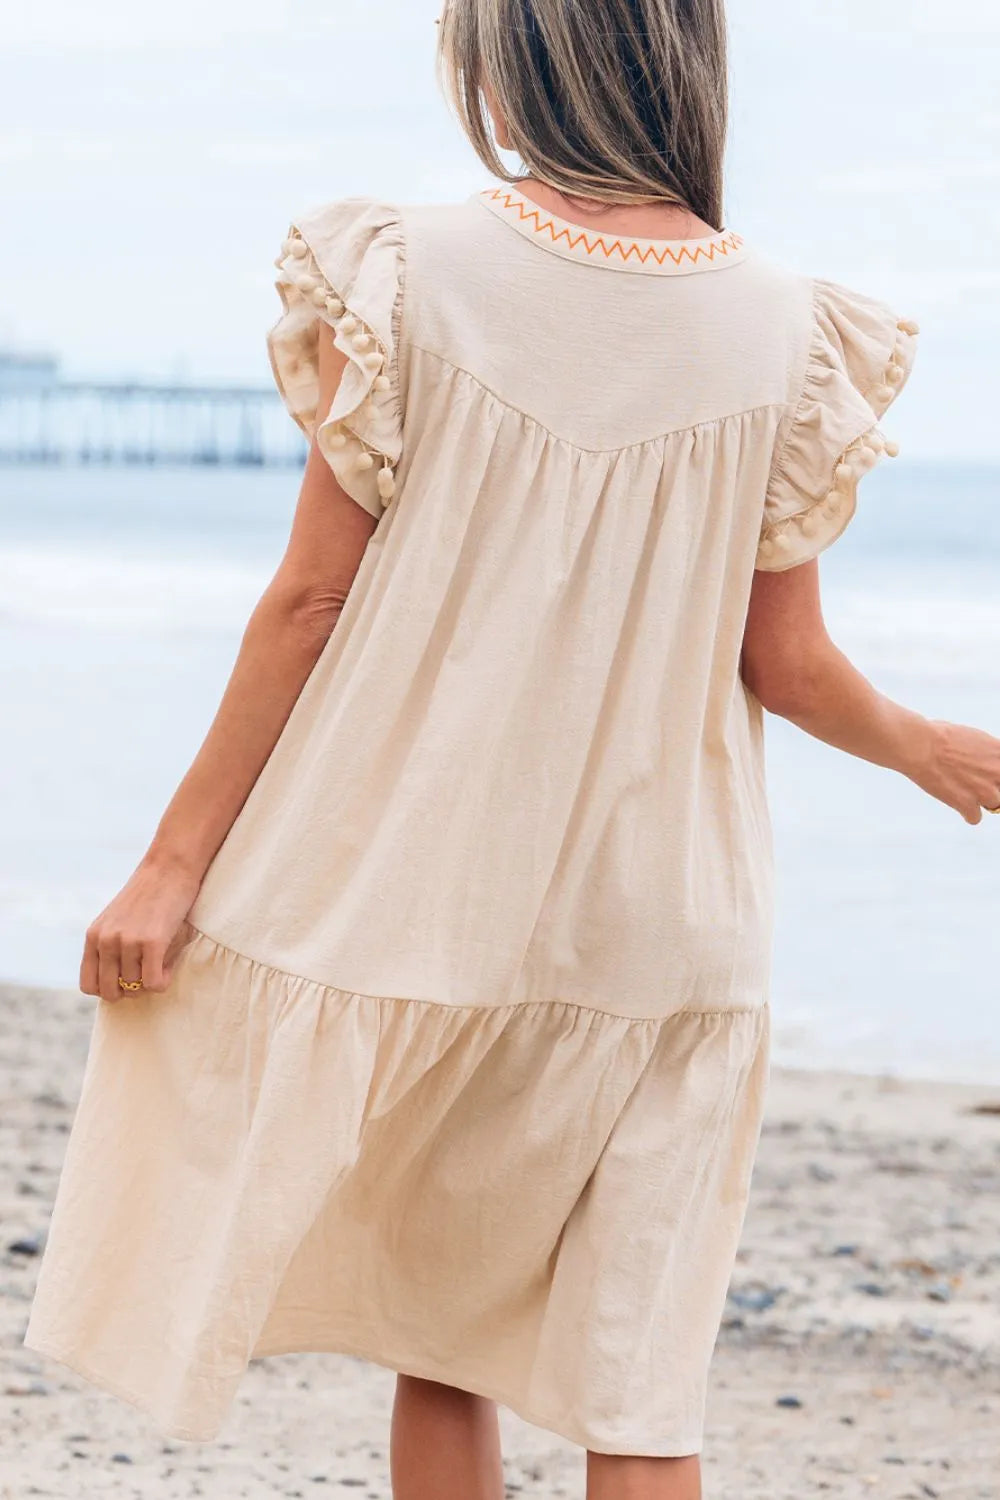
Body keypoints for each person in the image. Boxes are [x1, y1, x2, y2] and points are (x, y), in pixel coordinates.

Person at [23, 2, 1000, 1497]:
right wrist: (929, 747)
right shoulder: (797, 330)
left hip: (444, 901)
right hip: (676, 929)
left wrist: (174, 864)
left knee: (446, 1338)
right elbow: (785, 665)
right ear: (692, 68)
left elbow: (307, 601)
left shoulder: (408, 274)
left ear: (506, 64)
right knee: (644, 1390)